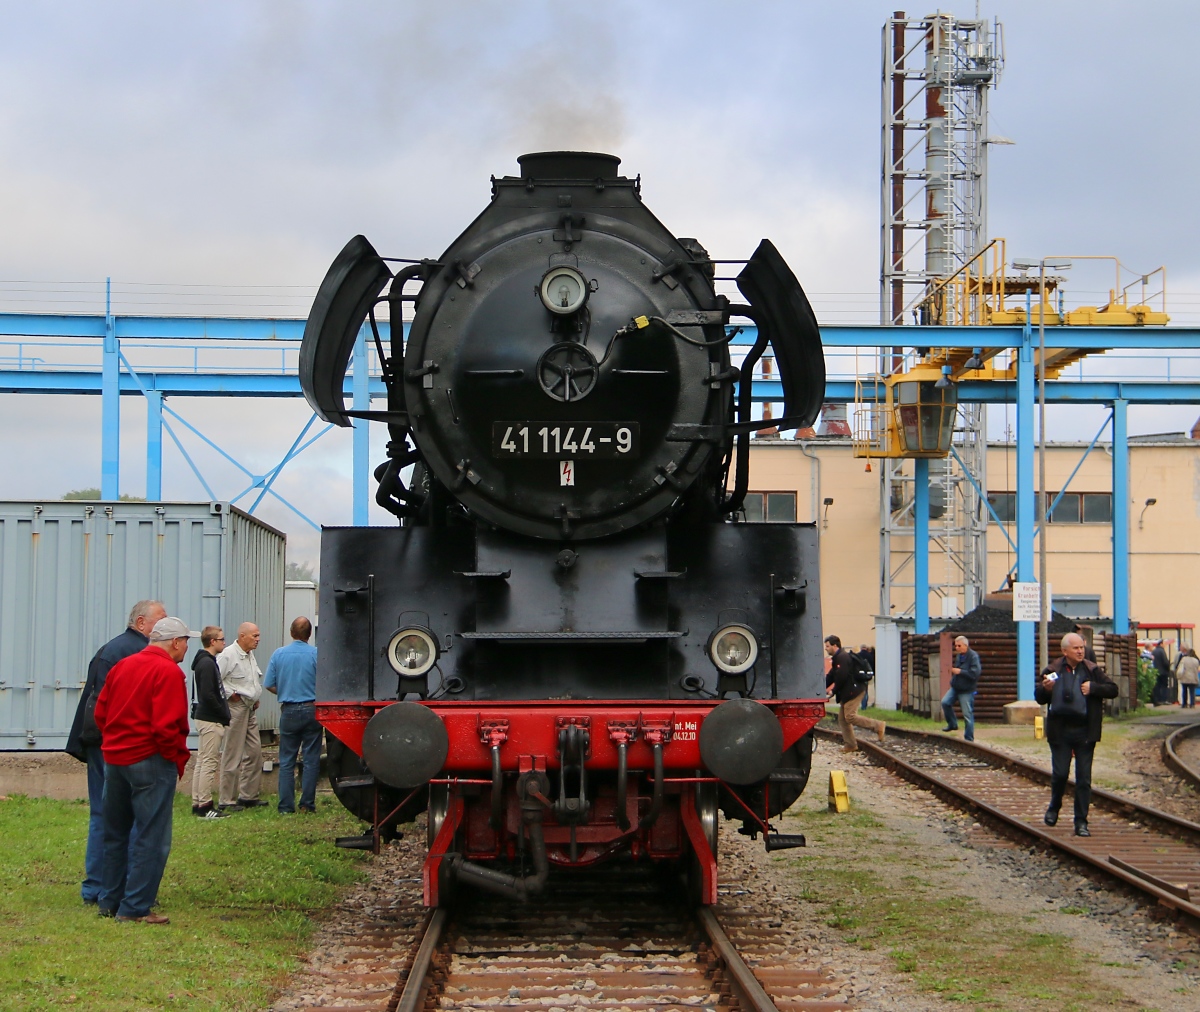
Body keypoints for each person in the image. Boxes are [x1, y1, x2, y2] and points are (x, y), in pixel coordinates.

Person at [64, 599, 167, 908]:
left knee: (103, 815)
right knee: (127, 818)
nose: (163, 627)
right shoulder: (138, 652)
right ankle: (124, 889)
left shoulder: (111, 648)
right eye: (159, 621)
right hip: (117, 745)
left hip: (99, 739)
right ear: (141, 623)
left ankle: (97, 888)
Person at [94, 616, 194, 924]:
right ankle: (135, 907)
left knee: (115, 833)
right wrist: (174, 755)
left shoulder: (122, 666)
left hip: (115, 759)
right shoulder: (168, 671)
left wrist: (114, 740)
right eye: (185, 642)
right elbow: (167, 724)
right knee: (151, 836)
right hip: (150, 759)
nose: (186, 648)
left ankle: (109, 900)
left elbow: (101, 712)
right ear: (175, 642)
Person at [1034, 632, 1118, 837]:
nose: (1080, 651)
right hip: (1060, 731)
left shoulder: (1091, 670)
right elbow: (1039, 697)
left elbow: (1113, 689)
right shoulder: (1054, 670)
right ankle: (1054, 807)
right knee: (1060, 774)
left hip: (1085, 732)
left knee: (1083, 779)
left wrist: (1093, 688)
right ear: (1065, 651)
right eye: (1076, 648)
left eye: (1082, 647)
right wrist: (1046, 689)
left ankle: (1081, 822)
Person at [264, 617, 322, 814]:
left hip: (289, 709)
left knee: (287, 760)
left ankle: (286, 806)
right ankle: (307, 804)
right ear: (309, 634)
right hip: (312, 708)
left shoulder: (279, 654)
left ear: (291, 632)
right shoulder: (316, 654)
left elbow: (269, 684)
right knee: (311, 758)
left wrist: (285, 691)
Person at [217, 622, 265, 810]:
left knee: (254, 752)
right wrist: (231, 694)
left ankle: (248, 795)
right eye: (255, 636)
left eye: (258, 636)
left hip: (250, 708)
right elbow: (216, 679)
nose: (258, 639)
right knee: (233, 752)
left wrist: (255, 697)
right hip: (236, 708)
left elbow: (251, 679)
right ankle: (226, 799)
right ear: (242, 636)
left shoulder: (249, 654)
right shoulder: (228, 655)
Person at [190, 626, 231, 818]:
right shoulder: (206, 664)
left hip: (206, 717)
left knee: (202, 760)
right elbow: (208, 694)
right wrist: (222, 711)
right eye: (221, 639)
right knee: (209, 761)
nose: (224, 642)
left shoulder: (206, 662)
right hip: (210, 719)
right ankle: (205, 805)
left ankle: (198, 801)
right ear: (212, 642)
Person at [824, 634, 885, 753]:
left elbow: (841, 676)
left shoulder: (842, 658)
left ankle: (878, 726)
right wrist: (820, 688)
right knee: (843, 719)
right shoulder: (838, 658)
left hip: (854, 691)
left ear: (835, 646)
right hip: (848, 692)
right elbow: (831, 675)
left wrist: (833, 691)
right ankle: (851, 745)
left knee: (850, 716)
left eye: (827, 646)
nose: (825, 649)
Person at [941, 635, 981, 742]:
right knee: (945, 702)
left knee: (967, 714)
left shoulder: (973, 656)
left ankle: (969, 738)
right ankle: (952, 724)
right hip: (956, 687)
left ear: (965, 645)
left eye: (959, 646)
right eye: (956, 646)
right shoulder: (959, 656)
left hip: (967, 690)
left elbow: (975, 674)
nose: (957, 648)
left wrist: (960, 672)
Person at [1151, 640, 1172, 705]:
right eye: (1164, 644)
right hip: (1163, 672)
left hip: (1156, 671)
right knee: (1164, 686)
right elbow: (1165, 662)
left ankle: (1158, 699)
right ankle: (1164, 700)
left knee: (1157, 686)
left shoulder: (1154, 651)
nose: (1165, 645)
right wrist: (1168, 668)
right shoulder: (1162, 651)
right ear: (1161, 644)